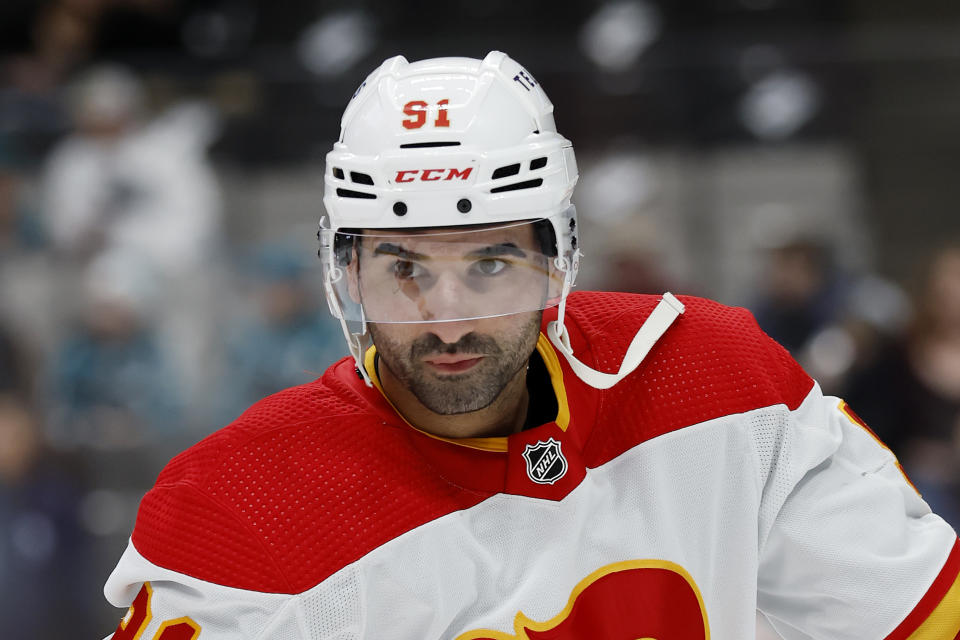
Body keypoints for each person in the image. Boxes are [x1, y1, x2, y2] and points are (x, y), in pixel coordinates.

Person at [102, 52, 959, 640]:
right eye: (404, 266)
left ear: (559, 262)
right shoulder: (235, 511)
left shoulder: (714, 380)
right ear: (346, 272)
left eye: (491, 263)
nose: (447, 319)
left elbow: (921, 616)